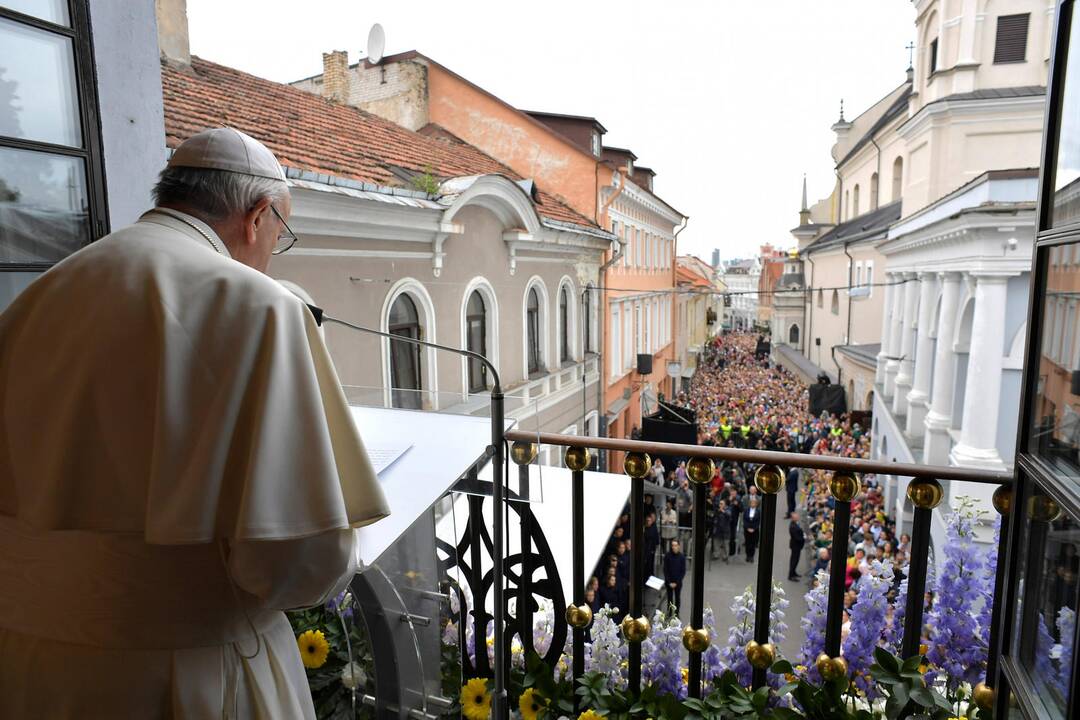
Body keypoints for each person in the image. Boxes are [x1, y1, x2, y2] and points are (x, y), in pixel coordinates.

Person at [0, 128, 390, 718]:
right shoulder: (261, 307)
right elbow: (297, 566)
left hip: (34, 669)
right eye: (280, 235)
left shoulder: (38, 297)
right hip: (189, 678)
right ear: (258, 217)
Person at [663, 540, 687, 616]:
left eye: (675, 545)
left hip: (678, 582)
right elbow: (665, 570)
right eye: (672, 545)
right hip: (669, 582)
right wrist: (669, 582)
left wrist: (676, 582)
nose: (674, 547)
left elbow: (682, 571)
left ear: (679, 546)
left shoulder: (682, 557)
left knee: (677, 598)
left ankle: (676, 614)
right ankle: (669, 613)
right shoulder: (667, 556)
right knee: (669, 599)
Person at [788, 511, 805, 581]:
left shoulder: (795, 524)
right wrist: (804, 537)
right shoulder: (792, 526)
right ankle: (791, 575)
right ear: (793, 518)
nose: (798, 517)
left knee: (796, 560)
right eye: (796, 517)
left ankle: (794, 572)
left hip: (797, 546)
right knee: (794, 560)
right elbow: (797, 538)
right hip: (795, 546)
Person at [743, 497, 761, 562]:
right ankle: (747, 556)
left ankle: (752, 556)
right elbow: (744, 520)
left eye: (754, 503)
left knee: (753, 544)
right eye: (752, 503)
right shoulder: (746, 510)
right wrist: (747, 528)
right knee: (747, 543)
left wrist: (753, 528)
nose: (753, 504)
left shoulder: (758, 511)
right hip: (747, 529)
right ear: (750, 504)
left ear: (756, 504)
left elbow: (758, 521)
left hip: (754, 530)